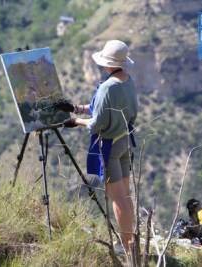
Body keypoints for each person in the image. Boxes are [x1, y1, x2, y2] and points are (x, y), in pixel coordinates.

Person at [55, 40, 138, 253]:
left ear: (107, 63)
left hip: (109, 145)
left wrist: (75, 121)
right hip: (125, 141)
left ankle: (127, 247)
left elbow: (96, 123)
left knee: (116, 197)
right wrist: (75, 108)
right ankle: (132, 241)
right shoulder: (128, 81)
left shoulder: (106, 87)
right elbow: (111, 110)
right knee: (126, 195)